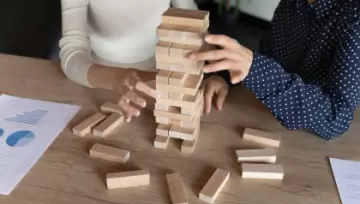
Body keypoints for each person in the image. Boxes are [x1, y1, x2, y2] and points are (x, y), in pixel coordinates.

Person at [190, 0, 360, 140]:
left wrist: (254, 68)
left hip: (312, 142)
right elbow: (268, 58)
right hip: (266, 123)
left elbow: (336, 116)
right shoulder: (289, 5)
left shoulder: (354, 17)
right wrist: (228, 77)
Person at [59, 0, 199, 122]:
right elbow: (72, 52)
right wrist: (113, 78)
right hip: (99, 84)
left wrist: (215, 75)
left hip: (159, 83)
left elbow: (196, 28)